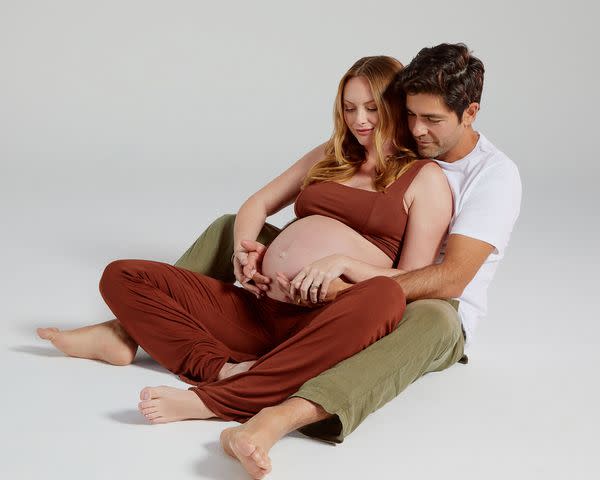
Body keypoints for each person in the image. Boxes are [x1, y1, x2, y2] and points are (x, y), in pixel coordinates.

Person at [36, 55, 454, 469]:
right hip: (260, 308)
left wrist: (345, 265)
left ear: (395, 107)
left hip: (321, 323)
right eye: (349, 108)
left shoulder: (424, 179)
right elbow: (257, 204)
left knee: (383, 297)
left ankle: (210, 401)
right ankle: (222, 370)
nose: (359, 120)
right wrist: (243, 250)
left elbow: (412, 280)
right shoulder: (331, 154)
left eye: (371, 108)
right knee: (122, 275)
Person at [212, 43, 522, 479]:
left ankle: (282, 416)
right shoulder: (394, 147)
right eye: (410, 114)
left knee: (434, 320)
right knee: (230, 227)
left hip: (428, 301)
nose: (417, 130)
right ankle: (137, 327)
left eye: (432, 120)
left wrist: (352, 276)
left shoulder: (493, 175)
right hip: (350, 274)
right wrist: (253, 249)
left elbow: (451, 278)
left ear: (470, 113)